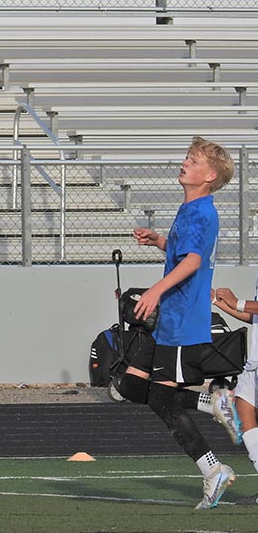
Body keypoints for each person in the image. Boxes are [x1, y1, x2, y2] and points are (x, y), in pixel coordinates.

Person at [115, 136, 237, 509]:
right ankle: (213, 402)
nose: (185, 162)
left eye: (193, 160)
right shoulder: (190, 208)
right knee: (131, 387)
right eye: (187, 156)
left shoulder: (202, 212)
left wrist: (155, 289)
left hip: (182, 319)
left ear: (209, 175)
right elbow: (184, 252)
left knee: (162, 397)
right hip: (169, 316)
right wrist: (159, 242)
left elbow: (194, 262)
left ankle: (212, 470)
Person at [213, 284, 258, 505]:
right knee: (242, 408)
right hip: (256, 361)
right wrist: (218, 302)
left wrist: (237, 301)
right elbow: (254, 317)